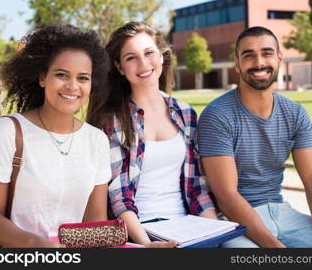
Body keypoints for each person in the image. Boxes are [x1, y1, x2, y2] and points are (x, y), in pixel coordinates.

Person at [197, 26, 312, 248]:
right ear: (237, 64)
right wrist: (277, 249)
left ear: (279, 59)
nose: (259, 63)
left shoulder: (294, 113)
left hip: (282, 213)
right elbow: (227, 197)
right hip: (234, 223)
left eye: (267, 53)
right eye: (249, 56)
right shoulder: (218, 115)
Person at [0, 23, 112, 247]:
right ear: (42, 77)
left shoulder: (97, 140)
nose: (72, 86)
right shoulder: (8, 131)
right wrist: (38, 245)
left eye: (83, 78)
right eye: (62, 74)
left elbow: (95, 221)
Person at [87, 22, 217, 247]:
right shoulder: (113, 119)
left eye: (149, 53)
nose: (143, 64)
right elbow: (119, 195)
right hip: (139, 231)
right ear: (119, 67)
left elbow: (198, 188)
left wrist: (214, 234)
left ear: (162, 56)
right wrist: (146, 245)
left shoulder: (185, 113)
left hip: (186, 226)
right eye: (131, 58)